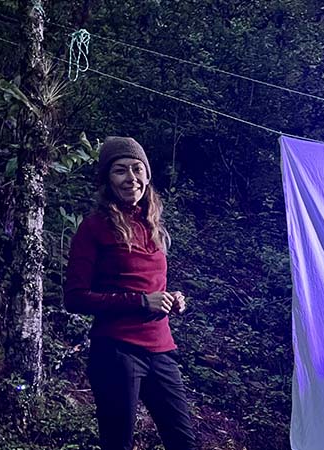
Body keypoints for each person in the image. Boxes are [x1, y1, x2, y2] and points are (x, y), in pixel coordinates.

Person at [64, 136, 198, 450]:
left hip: (160, 349)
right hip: (116, 352)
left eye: (137, 169)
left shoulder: (153, 225)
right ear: (107, 180)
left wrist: (170, 299)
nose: (131, 178)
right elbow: (75, 297)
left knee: (184, 442)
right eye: (120, 170)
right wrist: (140, 302)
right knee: (118, 444)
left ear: (147, 176)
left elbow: (149, 285)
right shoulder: (93, 228)